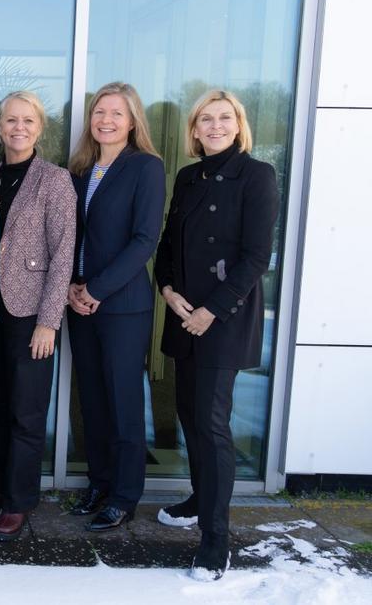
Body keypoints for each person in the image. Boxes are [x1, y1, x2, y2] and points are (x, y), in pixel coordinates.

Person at [154, 89, 277, 580]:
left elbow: (256, 257)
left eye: (225, 118)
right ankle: (199, 499)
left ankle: (216, 539)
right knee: (190, 414)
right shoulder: (188, 177)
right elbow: (168, 244)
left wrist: (212, 310)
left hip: (223, 319)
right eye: (206, 119)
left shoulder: (257, 175)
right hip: (184, 314)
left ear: (239, 124)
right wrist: (166, 289)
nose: (215, 126)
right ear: (195, 129)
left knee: (211, 422)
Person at [0, 91, 76, 540]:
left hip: (29, 314)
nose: (18, 127)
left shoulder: (55, 180)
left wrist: (49, 322)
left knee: (26, 410)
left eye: (27, 120)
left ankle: (19, 501)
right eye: (11, 120)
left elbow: (63, 254)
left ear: (40, 127)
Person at [66, 82, 165, 531]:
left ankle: (124, 496)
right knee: (92, 399)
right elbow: (71, 236)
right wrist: (72, 287)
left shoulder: (145, 167)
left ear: (132, 121)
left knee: (124, 401)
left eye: (116, 113)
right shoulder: (80, 170)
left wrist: (97, 289)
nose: (105, 120)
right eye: (99, 112)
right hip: (79, 302)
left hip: (122, 305)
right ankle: (100, 482)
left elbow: (144, 240)